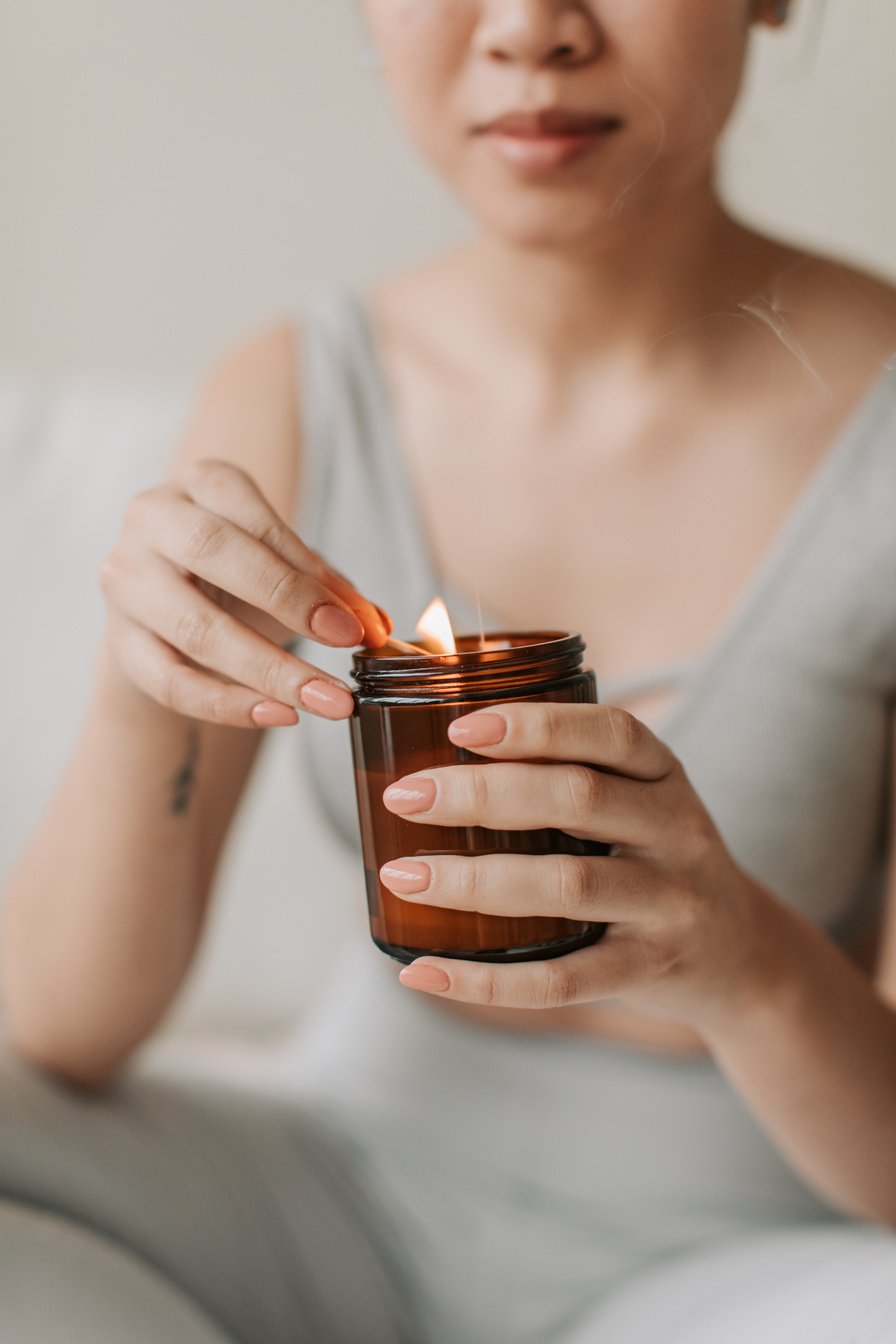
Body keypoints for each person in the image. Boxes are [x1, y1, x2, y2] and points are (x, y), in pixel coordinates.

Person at [2, 2, 896, 1341]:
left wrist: (745, 956)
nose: (531, 28)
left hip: (746, 1264)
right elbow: (59, 1039)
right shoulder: (298, 388)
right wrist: (146, 686)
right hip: (328, 1204)